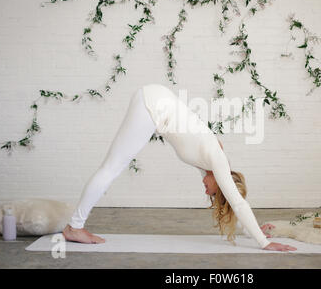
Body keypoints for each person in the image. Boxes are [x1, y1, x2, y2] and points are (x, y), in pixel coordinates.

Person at [62, 83, 297, 252]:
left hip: (155, 99)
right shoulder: (217, 160)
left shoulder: (207, 165)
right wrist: (264, 243)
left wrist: (251, 231)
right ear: (222, 183)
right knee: (111, 168)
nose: (206, 192)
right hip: (153, 105)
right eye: (213, 192)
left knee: (111, 167)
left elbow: (233, 205)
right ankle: (75, 227)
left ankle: (76, 226)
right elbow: (237, 201)